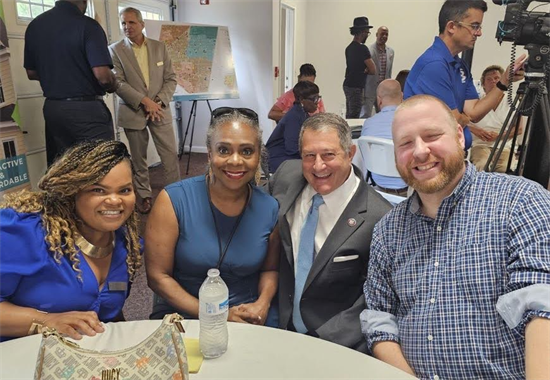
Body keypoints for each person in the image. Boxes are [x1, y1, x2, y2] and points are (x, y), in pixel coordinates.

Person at [362, 95, 550, 379]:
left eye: (432, 136)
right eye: (405, 143)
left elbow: (541, 306)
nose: (420, 151)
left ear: (461, 138)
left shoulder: (520, 201)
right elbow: (380, 321)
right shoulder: (388, 231)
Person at [146, 107, 280, 327]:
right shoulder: (173, 200)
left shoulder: (269, 208)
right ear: (209, 154)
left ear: (258, 155)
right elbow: (158, 277)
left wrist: (263, 303)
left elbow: (270, 269)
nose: (235, 161)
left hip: (248, 311)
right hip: (187, 311)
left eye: (247, 151)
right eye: (224, 150)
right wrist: (218, 314)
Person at [268, 113, 391, 352]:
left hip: (334, 340)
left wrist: (324, 344)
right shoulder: (286, 177)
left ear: (350, 153)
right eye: (309, 156)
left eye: (328, 155)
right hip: (277, 326)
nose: (318, 166)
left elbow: (372, 299)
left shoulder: (379, 217)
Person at [0, 140, 142, 342]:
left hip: (79, 363)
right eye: (98, 190)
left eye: (125, 190)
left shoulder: (126, 244)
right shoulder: (26, 232)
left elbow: (107, 315)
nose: (114, 200)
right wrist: (45, 321)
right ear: (71, 193)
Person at [403, 0, 525, 151]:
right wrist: (463, 118)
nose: (479, 33)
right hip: (430, 161)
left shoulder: (459, 65)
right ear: (452, 27)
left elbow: (474, 112)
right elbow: (453, 121)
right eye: (474, 26)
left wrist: (505, 80)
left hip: (453, 156)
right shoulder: (433, 65)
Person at [24, 0, 117, 166]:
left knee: (62, 169)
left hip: (53, 109)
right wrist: (114, 84)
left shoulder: (35, 25)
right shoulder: (89, 26)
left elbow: (31, 72)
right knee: (101, 167)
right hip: (86, 110)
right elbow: (103, 76)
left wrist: (57, 76)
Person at [109, 7, 180, 215]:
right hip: (133, 111)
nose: (127, 27)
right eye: (123, 23)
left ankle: (175, 195)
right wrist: (144, 101)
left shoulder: (160, 48)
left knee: (169, 155)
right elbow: (117, 83)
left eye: (131, 22)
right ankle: (145, 196)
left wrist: (156, 102)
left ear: (142, 24)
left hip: (159, 110)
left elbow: (171, 79)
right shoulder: (114, 50)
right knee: (139, 159)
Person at [469, 65, 523, 172]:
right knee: (482, 165)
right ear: (483, 84)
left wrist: (499, 136)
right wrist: (477, 131)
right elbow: (462, 121)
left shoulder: (513, 100)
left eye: (497, 78)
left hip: (505, 145)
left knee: (504, 168)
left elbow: (519, 129)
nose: (493, 82)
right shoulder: (475, 102)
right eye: (489, 79)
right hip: (480, 144)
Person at [361, 79, 407, 196]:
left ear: (379, 100)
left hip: (378, 190)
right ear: (402, 97)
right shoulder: (412, 122)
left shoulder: (368, 124)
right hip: (408, 188)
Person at [266, 81, 320, 172]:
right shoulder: (294, 117)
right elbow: (292, 149)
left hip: (289, 158)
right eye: (314, 99)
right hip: (279, 159)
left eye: (318, 98)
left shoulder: (303, 114)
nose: (317, 103)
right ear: (302, 99)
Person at [343, 17, 376, 119]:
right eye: (367, 32)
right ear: (362, 32)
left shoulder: (349, 48)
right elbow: (373, 69)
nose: (367, 35)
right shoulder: (362, 49)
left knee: (350, 114)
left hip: (348, 85)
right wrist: (365, 70)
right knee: (354, 116)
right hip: (356, 87)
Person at [362, 26, 394, 118]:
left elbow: (389, 71)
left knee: (383, 115)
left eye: (386, 34)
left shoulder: (391, 51)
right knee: (366, 115)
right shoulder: (368, 50)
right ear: (376, 35)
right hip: (370, 88)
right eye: (382, 34)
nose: (384, 36)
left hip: (383, 90)